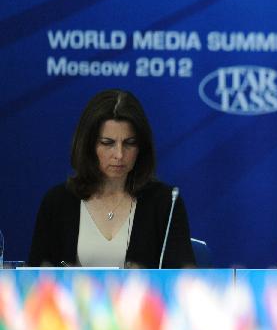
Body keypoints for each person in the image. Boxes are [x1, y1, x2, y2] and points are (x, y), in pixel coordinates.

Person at [29, 89, 195, 268]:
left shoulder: (165, 202)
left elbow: (184, 281)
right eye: (107, 143)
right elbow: (34, 280)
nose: (119, 154)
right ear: (88, 145)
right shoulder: (57, 202)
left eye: (129, 143)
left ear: (141, 147)